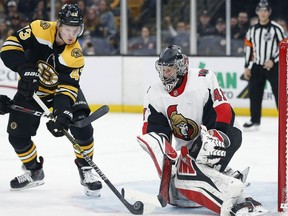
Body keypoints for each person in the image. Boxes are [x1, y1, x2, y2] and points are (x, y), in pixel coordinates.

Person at [137, 45, 268, 215]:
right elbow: (155, 133)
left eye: (170, 69)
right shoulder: (154, 93)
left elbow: (223, 109)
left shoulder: (203, 78)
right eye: (162, 69)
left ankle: (227, 192)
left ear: (182, 67)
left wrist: (217, 136)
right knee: (180, 184)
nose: (165, 74)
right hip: (189, 149)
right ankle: (230, 183)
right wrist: (168, 160)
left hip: (222, 135)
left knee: (190, 173)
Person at [0, 4, 102, 196]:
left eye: (76, 30)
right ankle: (34, 171)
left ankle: (85, 169)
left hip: (59, 93)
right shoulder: (40, 29)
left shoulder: (75, 55)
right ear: (58, 24)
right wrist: (24, 67)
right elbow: (9, 47)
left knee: (81, 125)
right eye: (67, 29)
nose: (71, 35)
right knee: (17, 136)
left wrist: (62, 112)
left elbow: (68, 88)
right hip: (32, 91)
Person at [243, 0, 285, 130]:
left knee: (279, 93)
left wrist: (273, 60)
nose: (262, 13)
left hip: (273, 66)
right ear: (257, 12)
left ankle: (285, 120)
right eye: (260, 10)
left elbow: (283, 47)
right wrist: (246, 66)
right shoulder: (252, 30)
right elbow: (248, 48)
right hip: (257, 65)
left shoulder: (277, 28)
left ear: (269, 12)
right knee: (254, 93)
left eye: (265, 10)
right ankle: (255, 120)